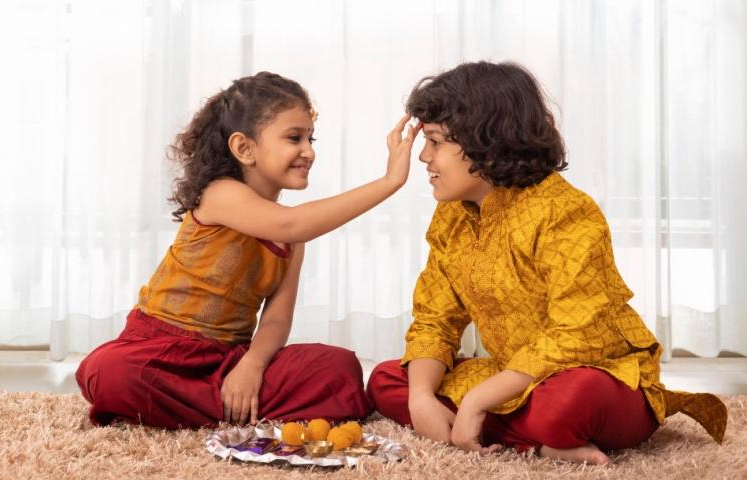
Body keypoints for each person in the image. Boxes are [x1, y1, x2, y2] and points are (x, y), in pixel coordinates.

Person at [366, 61, 727, 465]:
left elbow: (577, 333)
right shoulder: (452, 215)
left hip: (597, 374)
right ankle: (538, 441)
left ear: (485, 138)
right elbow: (435, 319)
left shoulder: (566, 211)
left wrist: (477, 400)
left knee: (570, 402)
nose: (423, 158)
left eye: (434, 142)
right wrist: (419, 399)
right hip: (514, 377)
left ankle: (502, 424)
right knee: (388, 380)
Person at [76, 72, 418, 429]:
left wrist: (252, 366)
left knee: (339, 368)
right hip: (160, 350)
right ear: (244, 148)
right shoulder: (220, 194)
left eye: (310, 138)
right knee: (109, 373)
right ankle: (225, 408)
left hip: (230, 360)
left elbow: (275, 319)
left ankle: (219, 402)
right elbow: (292, 223)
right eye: (294, 138)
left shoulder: (290, 237)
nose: (309, 151)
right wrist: (389, 182)